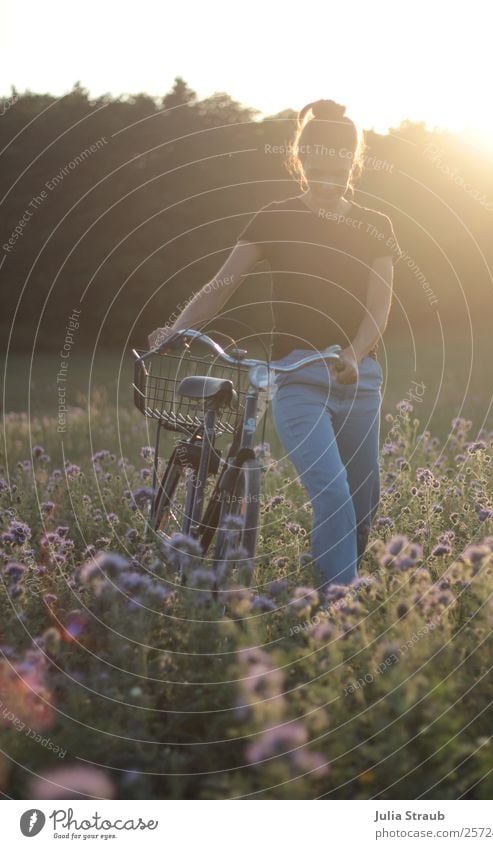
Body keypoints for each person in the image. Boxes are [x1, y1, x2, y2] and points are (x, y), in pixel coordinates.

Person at [149, 98, 401, 588]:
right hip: (296, 380)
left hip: (359, 380)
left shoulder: (376, 225)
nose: (329, 178)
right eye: (319, 167)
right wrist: (177, 327)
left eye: (340, 167)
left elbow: (379, 308)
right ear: (301, 161)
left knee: (363, 503)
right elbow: (222, 286)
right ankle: (338, 609)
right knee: (331, 492)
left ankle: (325, 574)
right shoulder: (274, 217)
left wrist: (354, 352)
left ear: (354, 164)